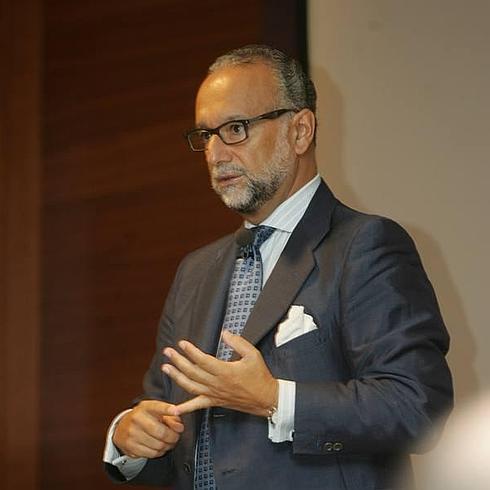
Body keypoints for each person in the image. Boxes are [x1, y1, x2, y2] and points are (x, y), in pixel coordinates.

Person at [103, 44, 453, 490]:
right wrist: (129, 436)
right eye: (205, 135)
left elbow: (417, 406)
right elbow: (168, 420)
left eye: (235, 129)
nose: (215, 154)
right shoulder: (195, 271)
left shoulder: (364, 246)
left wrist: (274, 399)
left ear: (300, 131)